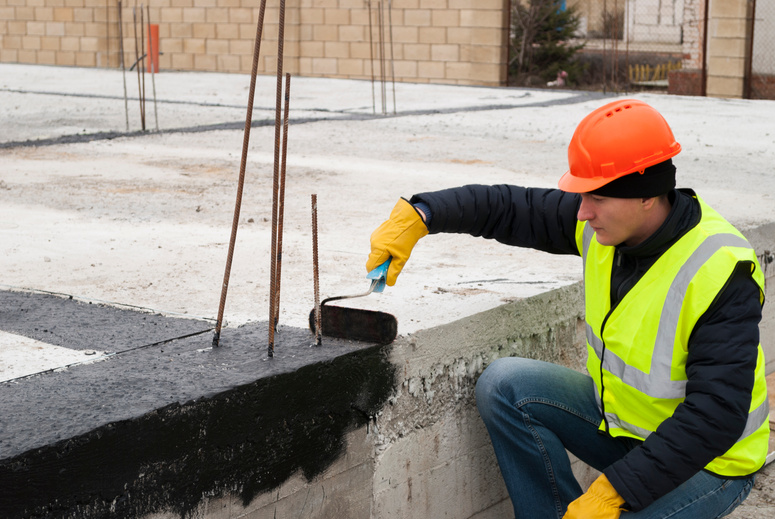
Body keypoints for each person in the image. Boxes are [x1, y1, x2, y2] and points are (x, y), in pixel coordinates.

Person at [366, 99, 770, 518]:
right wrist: (423, 214)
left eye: (596, 196)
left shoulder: (720, 269)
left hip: (708, 463)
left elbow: (715, 416)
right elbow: (507, 207)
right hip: (624, 428)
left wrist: (612, 491)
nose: (583, 211)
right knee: (506, 385)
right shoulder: (605, 225)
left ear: (647, 194)